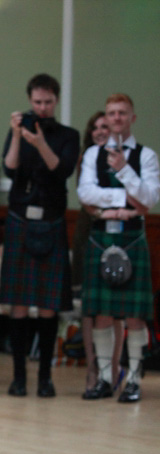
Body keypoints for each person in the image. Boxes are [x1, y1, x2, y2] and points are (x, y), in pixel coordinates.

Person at [0, 74, 80, 398]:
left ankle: (45, 378)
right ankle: (19, 378)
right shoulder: (18, 128)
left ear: (56, 101)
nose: (42, 108)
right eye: (37, 102)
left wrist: (40, 141)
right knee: (18, 305)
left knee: (48, 307)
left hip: (52, 220)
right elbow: (9, 168)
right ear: (30, 100)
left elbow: (61, 171)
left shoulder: (68, 135)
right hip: (20, 220)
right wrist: (19, 135)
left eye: (47, 102)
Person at [77, 93, 160, 403]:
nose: (116, 118)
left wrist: (124, 170)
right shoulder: (92, 155)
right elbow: (85, 192)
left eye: (122, 113)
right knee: (101, 314)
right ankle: (106, 380)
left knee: (134, 315)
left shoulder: (146, 156)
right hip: (101, 237)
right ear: (107, 117)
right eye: (111, 113)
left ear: (132, 118)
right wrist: (124, 203)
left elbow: (150, 199)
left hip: (132, 238)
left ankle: (135, 380)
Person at [73, 112, 125, 396]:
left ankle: (114, 367)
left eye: (105, 127)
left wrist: (109, 205)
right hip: (88, 231)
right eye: (95, 127)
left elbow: (132, 196)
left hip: (118, 232)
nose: (99, 131)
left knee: (114, 306)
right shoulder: (87, 159)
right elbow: (87, 199)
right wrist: (107, 207)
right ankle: (93, 368)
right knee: (89, 307)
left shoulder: (125, 158)